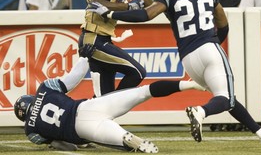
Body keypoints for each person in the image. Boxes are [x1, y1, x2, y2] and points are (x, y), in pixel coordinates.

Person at [88, 0, 261, 148]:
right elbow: (223, 24)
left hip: (188, 58)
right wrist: (213, 46)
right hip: (208, 47)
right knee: (225, 98)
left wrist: (112, 13)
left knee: (226, 98)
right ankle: (201, 112)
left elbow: (148, 14)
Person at [13, 44, 205, 152]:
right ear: (30, 98)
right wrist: (84, 57)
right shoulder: (44, 90)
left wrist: (81, 144)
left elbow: (64, 145)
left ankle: (126, 139)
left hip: (81, 129)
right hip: (88, 107)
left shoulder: (32, 131)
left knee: (116, 140)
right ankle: (189, 84)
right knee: (143, 92)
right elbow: (72, 80)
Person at [79, 0, 154, 96]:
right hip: (93, 38)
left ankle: (103, 108)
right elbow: (98, 3)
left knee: (102, 97)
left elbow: (152, 6)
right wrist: (129, 7)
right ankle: (113, 104)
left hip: (103, 38)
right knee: (137, 72)